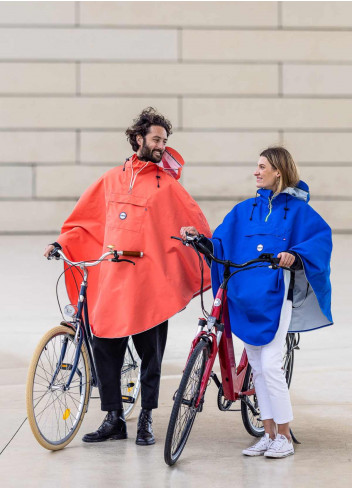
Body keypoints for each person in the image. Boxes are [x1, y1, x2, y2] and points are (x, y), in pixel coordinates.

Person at [44, 107, 211, 446]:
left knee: (151, 353)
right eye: (156, 139)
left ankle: (146, 418)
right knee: (105, 346)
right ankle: (113, 419)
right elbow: (85, 222)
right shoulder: (111, 179)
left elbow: (193, 224)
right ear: (139, 139)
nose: (161, 146)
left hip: (148, 284)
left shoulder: (167, 185)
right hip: (112, 283)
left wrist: (205, 249)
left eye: (165, 141)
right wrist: (59, 243)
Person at [181, 146, 332, 459]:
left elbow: (319, 240)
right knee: (259, 371)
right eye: (257, 166)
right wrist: (199, 239)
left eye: (262, 167)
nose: (256, 171)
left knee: (271, 366)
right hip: (244, 297)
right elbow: (220, 245)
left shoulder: (299, 211)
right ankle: (268, 433)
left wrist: (296, 255)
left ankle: (285, 437)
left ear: (278, 171)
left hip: (276, 297)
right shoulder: (243, 210)